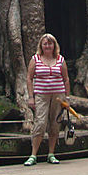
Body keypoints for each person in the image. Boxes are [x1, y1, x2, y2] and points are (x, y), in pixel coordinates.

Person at [24, 33, 69, 165]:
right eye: (45, 44)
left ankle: (51, 154)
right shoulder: (36, 59)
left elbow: (66, 79)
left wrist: (67, 98)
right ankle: (33, 155)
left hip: (58, 96)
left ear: (54, 45)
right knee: (40, 123)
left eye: (50, 43)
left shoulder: (60, 59)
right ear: (41, 46)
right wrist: (31, 97)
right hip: (41, 95)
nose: (48, 46)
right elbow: (29, 78)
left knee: (55, 123)